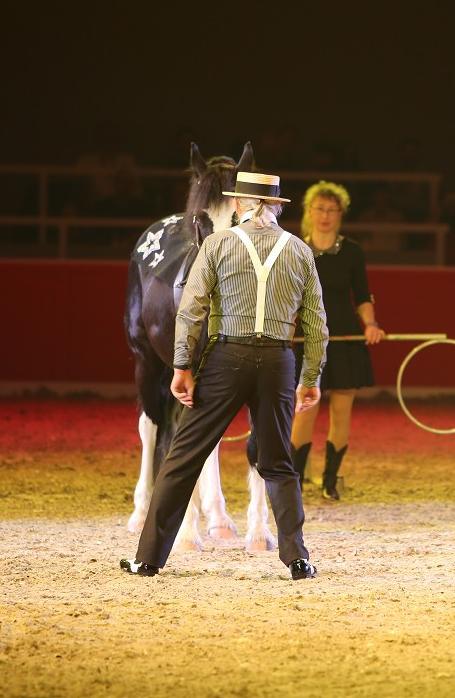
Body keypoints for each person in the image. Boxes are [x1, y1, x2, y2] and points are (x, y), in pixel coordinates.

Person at [120, 170, 329, 580]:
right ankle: (297, 559)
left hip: (226, 359)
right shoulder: (300, 251)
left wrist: (181, 366)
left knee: (182, 458)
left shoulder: (216, 245)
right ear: (275, 206)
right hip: (276, 361)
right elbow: (316, 324)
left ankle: (148, 558)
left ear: (237, 204)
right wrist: (310, 378)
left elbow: (192, 310)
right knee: (279, 463)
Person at [289, 181, 385, 500]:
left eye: (331, 210)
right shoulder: (296, 249)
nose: (325, 216)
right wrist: (287, 326)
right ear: (309, 212)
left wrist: (370, 324)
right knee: (305, 409)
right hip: (308, 336)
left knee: (341, 411)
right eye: (319, 209)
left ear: (340, 214)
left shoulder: (353, 252)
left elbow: (361, 295)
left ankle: (330, 481)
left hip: (344, 335)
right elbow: (289, 297)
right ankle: (296, 478)